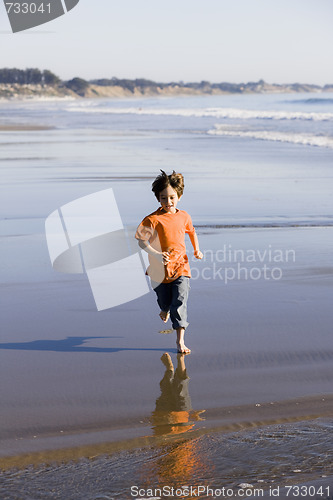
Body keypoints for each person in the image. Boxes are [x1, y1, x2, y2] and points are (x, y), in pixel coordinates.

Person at [135, 170, 203, 354]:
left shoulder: (184, 216)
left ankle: (180, 341)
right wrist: (155, 254)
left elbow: (191, 231)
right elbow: (141, 241)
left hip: (181, 266)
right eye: (163, 198)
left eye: (172, 197)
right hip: (159, 271)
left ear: (179, 196)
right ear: (158, 198)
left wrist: (196, 249)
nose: (168, 202)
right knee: (164, 300)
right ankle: (164, 309)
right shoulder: (152, 219)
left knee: (180, 302)